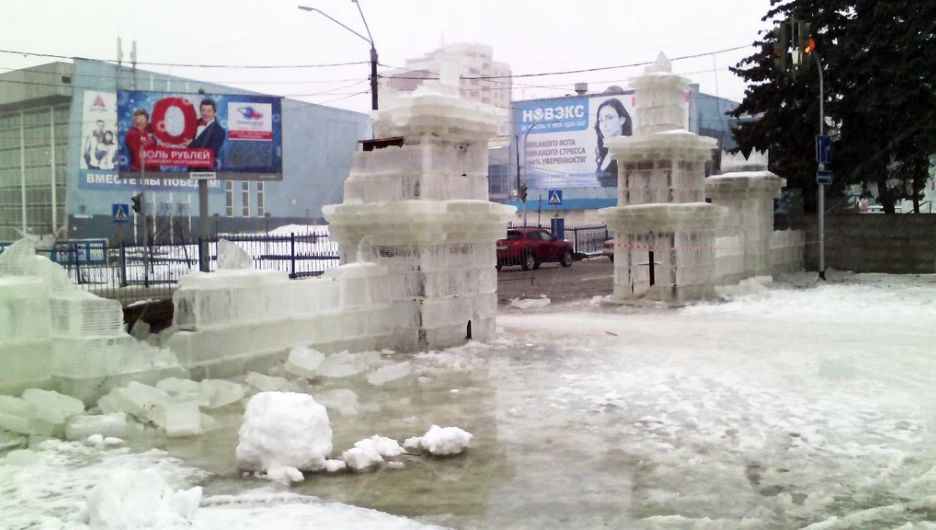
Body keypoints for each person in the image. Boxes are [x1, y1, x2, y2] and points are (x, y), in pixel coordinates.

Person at [594, 98, 633, 188]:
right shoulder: (606, 152)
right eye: (601, 120)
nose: (604, 124)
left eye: (609, 118)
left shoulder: (626, 151)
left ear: (622, 120)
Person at [187, 98, 226, 169]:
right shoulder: (193, 124)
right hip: (190, 168)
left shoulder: (220, 131)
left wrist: (191, 145)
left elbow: (211, 152)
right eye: (203, 110)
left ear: (215, 112)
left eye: (209, 111)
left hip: (207, 170)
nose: (206, 113)